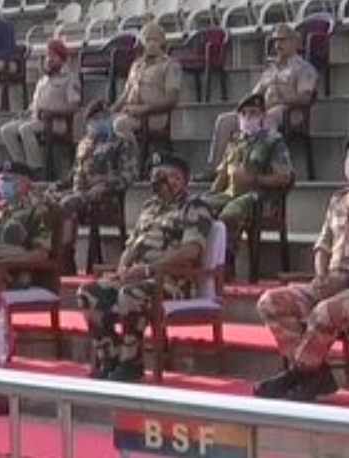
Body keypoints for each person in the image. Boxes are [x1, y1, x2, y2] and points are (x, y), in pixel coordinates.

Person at [76, 152, 213, 381]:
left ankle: (132, 361)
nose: (165, 181)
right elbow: (132, 245)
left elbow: (191, 251)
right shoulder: (149, 207)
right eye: (160, 176)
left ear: (184, 181)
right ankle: (109, 356)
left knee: (131, 294)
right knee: (89, 293)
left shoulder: (194, 207)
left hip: (172, 281)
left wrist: (149, 270)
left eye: (173, 176)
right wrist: (123, 268)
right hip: (137, 276)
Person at [253, 148, 349, 402]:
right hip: (330, 283)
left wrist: (339, 283)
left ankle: (300, 373)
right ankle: (314, 373)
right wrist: (320, 278)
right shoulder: (338, 200)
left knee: (324, 312)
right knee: (270, 302)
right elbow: (323, 246)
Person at [199, 23, 316, 179]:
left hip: (290, 111)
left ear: (295, 43)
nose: (278, 44)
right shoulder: (270, 68)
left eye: (283, 40)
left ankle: (257, 169)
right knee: (225, 120)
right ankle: (214, 169)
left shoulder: (304, 68)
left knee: (268, 118)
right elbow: (256, 93)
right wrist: (243, 108)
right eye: (275, 41)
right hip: (263, 110)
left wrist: (280, 100)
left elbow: (305, 97)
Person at [201, 93, 294, 273]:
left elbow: (284, 177)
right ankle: (200, 265)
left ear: (263, 117)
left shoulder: (273, 142)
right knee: (198, 207)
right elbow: (221, 178)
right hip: (229, 194)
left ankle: (225, 267)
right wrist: (208, 197)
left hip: (259, 197)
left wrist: (254, 179)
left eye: (253, 113)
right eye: (244, 114)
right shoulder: (235, 142)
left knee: (231, 213)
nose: (248, 118)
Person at [46, 100, 139, 272]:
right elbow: (75, 173)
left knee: (66, 204)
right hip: (79, 195)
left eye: (104, 117)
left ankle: (66, 257)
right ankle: (55, 254)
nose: (100, 121)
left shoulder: (122, 143)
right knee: (48, 201)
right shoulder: (84, 144)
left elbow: (129, 176)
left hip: (104, 199)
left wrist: (105, 186)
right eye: (96, 119)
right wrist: (57, 186)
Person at [0, 39, 81, 180]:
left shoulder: (70, 79)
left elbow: (74, 107)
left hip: (56, 122)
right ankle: (21, 168)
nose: (49, 60)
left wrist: (51, 112)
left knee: (26, 129)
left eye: (53, 56)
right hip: (36, 118)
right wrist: (27, 111)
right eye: (47, 56)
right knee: (6, 130)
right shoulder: (43, 80)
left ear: (61, 59)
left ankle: (36, 170)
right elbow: (35, 103)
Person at [0, 161, 54, 289]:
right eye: (1, 180)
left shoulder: (38, 210)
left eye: (7, 180)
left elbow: (41, 254)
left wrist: (3, 263)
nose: (2, 185)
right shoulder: (2, 208)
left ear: (25, 182)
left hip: (16, 271)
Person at [111, 22, 182, 151]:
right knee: (101, 124)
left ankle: (131, 161)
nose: (151, 43)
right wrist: (111, 110)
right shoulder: (136, 65)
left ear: (162, 42)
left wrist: (145, 109)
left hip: (154, 116)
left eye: (155, 40)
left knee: (119, 125)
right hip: (130, 113)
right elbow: (126, 93)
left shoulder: (170, 65)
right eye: (148, 40)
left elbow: (172, 99)